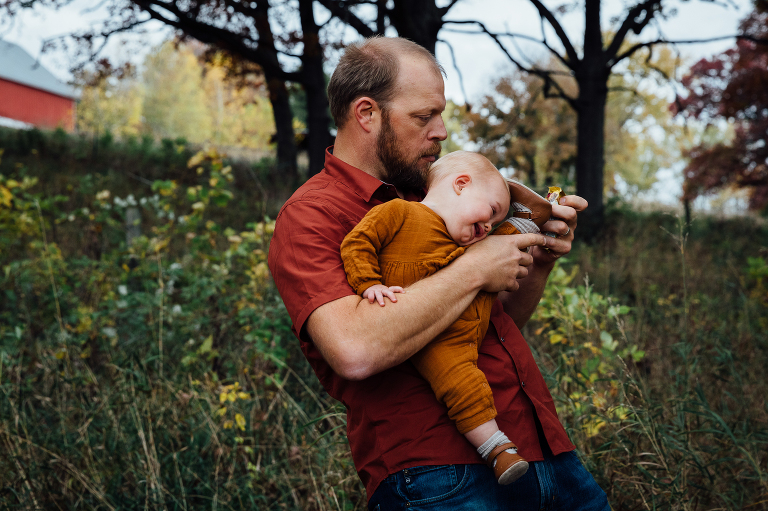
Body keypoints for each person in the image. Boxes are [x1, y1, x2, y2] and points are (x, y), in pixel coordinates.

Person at [267, 36, 610, 510]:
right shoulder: (312, 215)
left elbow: (487, 324)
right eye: (423, 116)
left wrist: (539, 259)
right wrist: (474, 267)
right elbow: (354, 349)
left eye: (441, 114)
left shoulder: (442, 192)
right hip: (437, 475)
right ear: (367, 114)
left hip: (545, 452)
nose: (442, 131)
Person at [340, 151, 544, 485]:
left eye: (496, 219)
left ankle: (531, 217)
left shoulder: (471, 242)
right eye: (491, 210)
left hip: (468, 323)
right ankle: (497, 449)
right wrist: (369, 284)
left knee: (505, 242)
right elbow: (358, 242)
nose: (488, 225)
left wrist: (508, 227)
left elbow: (502, 276)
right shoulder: (400, 212)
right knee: (462, 383)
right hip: (434, 336)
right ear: (461, 184)